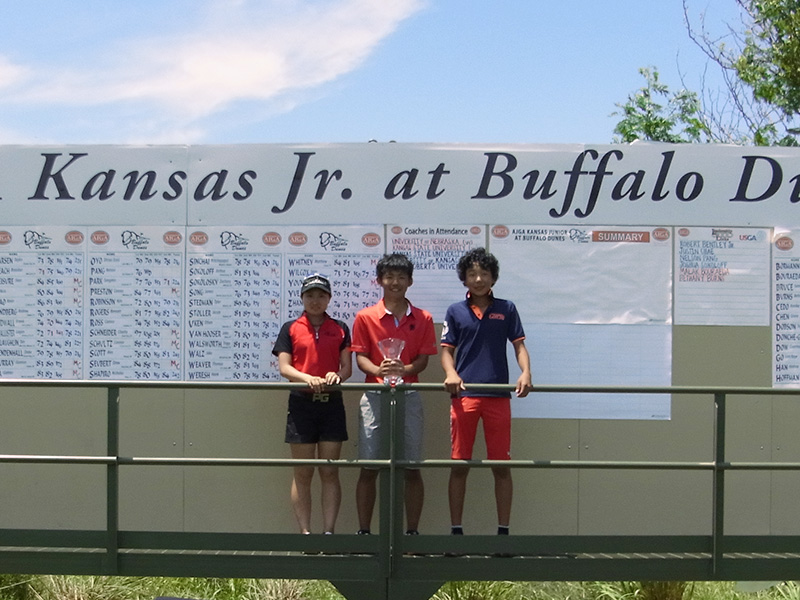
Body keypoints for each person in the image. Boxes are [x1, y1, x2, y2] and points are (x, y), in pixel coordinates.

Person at [440, 247, 533, 536]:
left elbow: (519, 346)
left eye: (484, 273)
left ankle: (503, 533)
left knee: (501, 466)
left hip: (498, 397)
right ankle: (457, 532)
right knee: (459, 465)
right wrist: (451, 373)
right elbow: (445, 351)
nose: (478, 279)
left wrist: (526, 373)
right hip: (464, 396)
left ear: (493, 278)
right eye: (472, 274)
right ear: (464, 279)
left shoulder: (507, 308)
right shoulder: (455, 311)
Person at [350, 253, 438, 535]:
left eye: (401, 277)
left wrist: (405, 368)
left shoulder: (423, 318)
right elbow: (360, 358)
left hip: (409, 393)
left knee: (411, 467)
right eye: (389, 276)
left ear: (410, 281)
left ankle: (411, 533)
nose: (395, 282)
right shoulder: (365, 317)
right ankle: (364, 533)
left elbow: (424, 360)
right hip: (375, 394)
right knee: (369, 466)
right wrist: (379, 368)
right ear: (379, 281)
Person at [272, 273, 352, 534]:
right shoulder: (290, 328)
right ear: (302, 298)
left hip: (331, 404)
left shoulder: (340, 327)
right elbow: (285, 368)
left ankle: (328, 532)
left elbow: (347, 369)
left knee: (329, 472)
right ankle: (306, 534)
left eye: (321, 295)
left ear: (329, 299)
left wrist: (335, 376)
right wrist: (308, 378)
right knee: (303, 473)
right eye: (310, 296)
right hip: (301, 404)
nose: (315, 301)